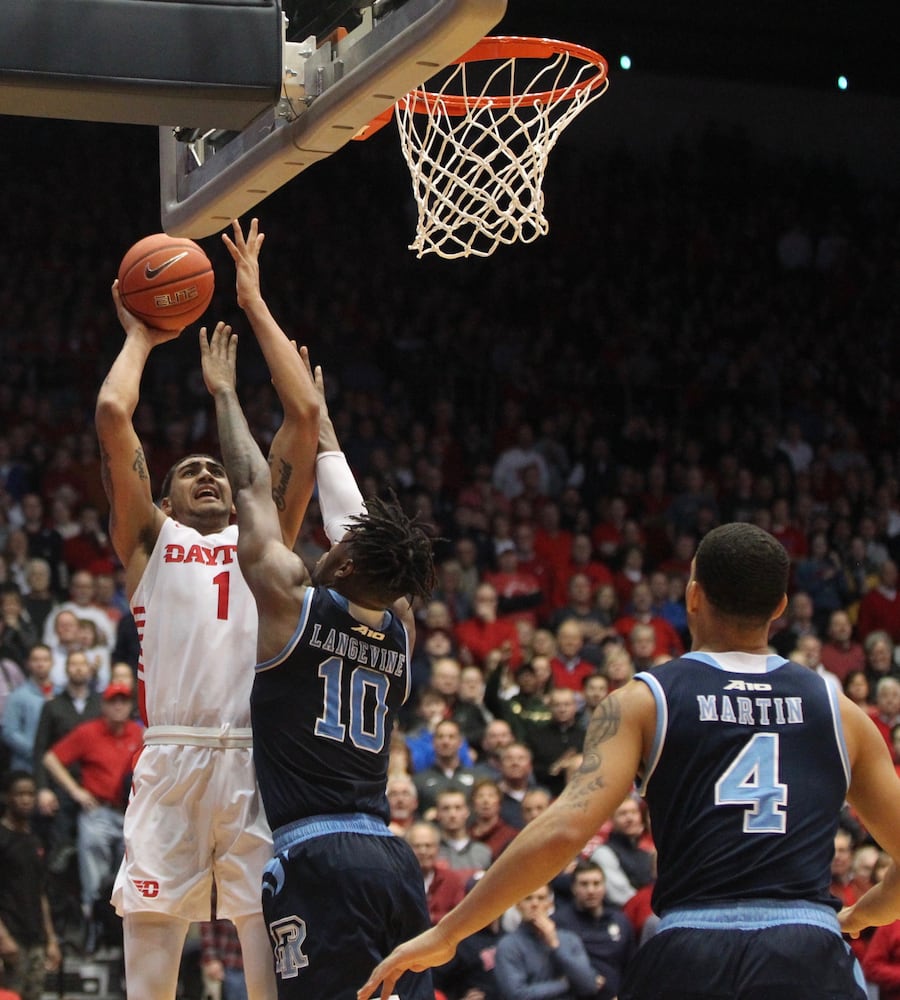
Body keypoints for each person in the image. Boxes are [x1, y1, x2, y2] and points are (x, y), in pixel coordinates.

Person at [359, 522, 900, 1000]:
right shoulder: (841, 711)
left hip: (693, 946)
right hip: (808, 949)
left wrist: (449, 932)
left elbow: (563, 831)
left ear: (692, 596)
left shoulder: (646, 700)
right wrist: (868, 911)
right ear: (781, 606)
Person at [96, 218, 320, 1000]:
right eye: (189, 470)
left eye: (217, 471)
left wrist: (254, 304)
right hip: (173, 754)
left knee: (271, 982)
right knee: (149, 984)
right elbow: (112, 416)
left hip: (259, 761)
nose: (208, 477)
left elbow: (303, 423)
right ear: (160, 495)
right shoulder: (146, 544)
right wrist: (143, 335)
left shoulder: (264, 547)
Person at [201, 321, 437, 1000]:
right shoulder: (401, 629)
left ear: (349, 558)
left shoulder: (293, 604)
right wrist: (323, 427)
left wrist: (223, 394)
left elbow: (249, 488)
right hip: (392, 857)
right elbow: (358, 525)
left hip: (317, 855)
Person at [42, 682, 143, 952]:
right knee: (94, 862)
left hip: (130, 813)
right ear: (104, 705)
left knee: (134, 867)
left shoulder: (138, 733)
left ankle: (127, 932)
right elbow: (51, 758)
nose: (119, 705)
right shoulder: (89, 732)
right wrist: (75, 791)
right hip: (97, 812)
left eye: (123, 700)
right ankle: (93, 925)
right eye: (113, 701)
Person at [0, 771, 61, 1000]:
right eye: (19, 794)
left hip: (35, 938)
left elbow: (40, 893)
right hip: (9, 935)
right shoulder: (2, 838)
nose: (25, 799)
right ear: (7, 797)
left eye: (30, 794)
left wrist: (51, 939)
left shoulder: (35, 841)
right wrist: (2, 937)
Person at [493, 883, 597, 1000]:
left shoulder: (569, 939)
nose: (535, 904)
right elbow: (517, 995)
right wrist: (564, 984)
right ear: (518, 905)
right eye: (528, 898)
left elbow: (589, 985)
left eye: (541, 898)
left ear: (549, 904)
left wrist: (555, 945)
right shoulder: (508, 946)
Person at [553, 859, 636, 1000]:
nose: (591, 890)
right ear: (573, 887)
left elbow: (632, 967)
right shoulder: (558, 922)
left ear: (604, 887)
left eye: (596, 884)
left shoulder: (620, 920)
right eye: (584, 884)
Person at [1, 643, 55, 772]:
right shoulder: (18, 696)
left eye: (45, 659)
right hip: (26, 767)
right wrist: (37, 751)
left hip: (58, 766)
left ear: (52, 663)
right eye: (36, 660)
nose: (40, 664)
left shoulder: (61, 694)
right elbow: (9, 732)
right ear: (28, 664)